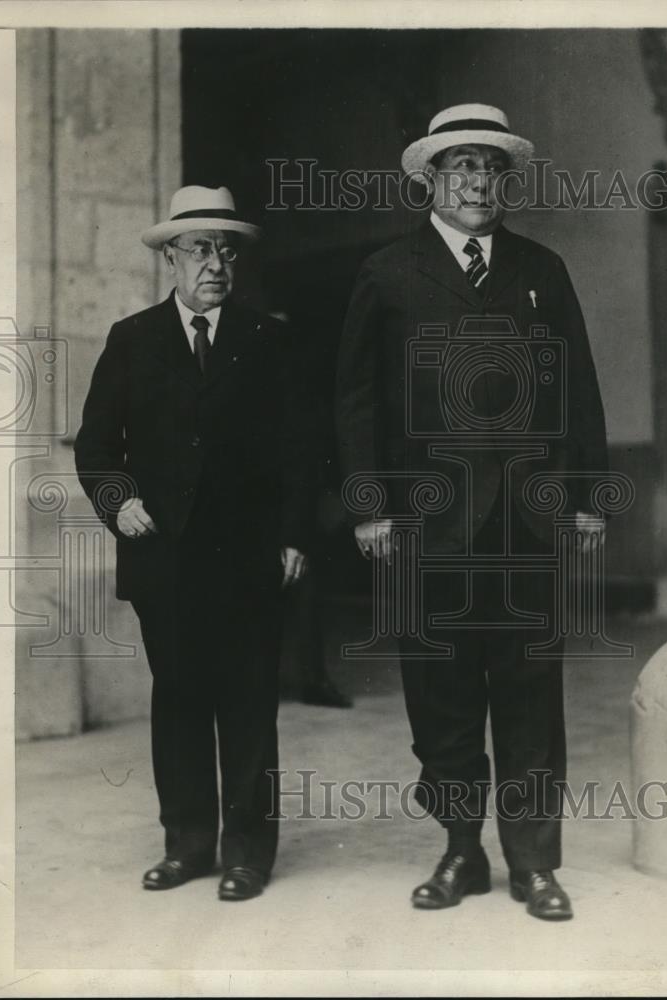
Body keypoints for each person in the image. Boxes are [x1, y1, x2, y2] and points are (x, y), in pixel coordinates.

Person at [335, 104, 608, 919]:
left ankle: (533, 862)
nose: (478, 181)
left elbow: (579, 388)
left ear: (506, 179)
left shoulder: (541, 269)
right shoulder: (389, 272)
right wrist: (369, 505)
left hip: (524, 522)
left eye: (491, 168)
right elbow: (355, 401)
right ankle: (461, 850)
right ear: (432, 179)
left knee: (530, 692)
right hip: (427, 522)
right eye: (461, 167)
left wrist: (587, 496)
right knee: (441, 696)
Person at [75, 185, 316, 902]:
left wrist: (296, 534)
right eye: (200, 248)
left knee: (247, 703)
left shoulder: (267, 339)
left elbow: (302, 449)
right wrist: (121, 505)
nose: (216, 263)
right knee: (179, 699)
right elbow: (96, 446)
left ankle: (247, 851)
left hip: (248, 558)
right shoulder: (132, 339)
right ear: (170, 259)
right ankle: (186, 846)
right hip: (165, 558)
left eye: (226, 249)